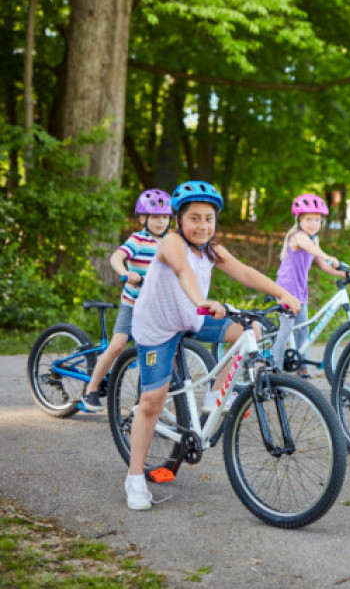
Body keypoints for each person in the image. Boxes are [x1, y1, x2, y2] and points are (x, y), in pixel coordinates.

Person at [124, 181, 301, 511]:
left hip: (192, 318)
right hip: (158, 326)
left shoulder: (211, 249)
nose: (203, 225)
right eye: (194, 218)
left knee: (251, 328)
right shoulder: (172, 243)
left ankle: (216, 398)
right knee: (152, 401)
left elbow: (244, 271)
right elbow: (182, 271)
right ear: (179, 220)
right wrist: (201, 299)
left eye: (209, 218)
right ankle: (134, 478)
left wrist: (282, 294)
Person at [81, 189, 172, 412]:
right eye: (156, 216)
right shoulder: (138, 240)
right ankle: (90, 390)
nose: (161, 221)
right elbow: (116, 256)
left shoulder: (170, 242)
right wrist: (126, 272)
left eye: (165, 216)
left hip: (155, 307)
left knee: (159, 349)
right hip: (133, 304)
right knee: (118, 345)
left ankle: (154, 395)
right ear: (143, 218)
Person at [269, 193, 346, 378]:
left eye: (317, 220)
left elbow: (322, 264)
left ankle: (301, 366)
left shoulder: (314, 239)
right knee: (286, 330)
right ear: (299, 220)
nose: (313, 223)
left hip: (300, 290)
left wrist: (344, 272)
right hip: (286, 289)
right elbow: (312, 249)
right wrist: (328, 256)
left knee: (303, 328)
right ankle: (274, 372)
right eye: (308, 219)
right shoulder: (298, 237)